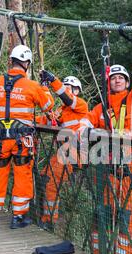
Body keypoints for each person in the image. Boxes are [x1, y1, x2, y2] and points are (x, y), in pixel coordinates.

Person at [78, 45, 132, 254]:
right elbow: (86, 121)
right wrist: (86, 131)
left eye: (122, 77)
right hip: (110, 167)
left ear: (128, 82)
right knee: (103, 210)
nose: (118, 80)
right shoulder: (102, 107)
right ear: (108, 82)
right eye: (114, 78)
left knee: (127, 215)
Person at [0, 45, 55, 228]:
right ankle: (18, 216)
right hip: (22, 139)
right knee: (22, 175)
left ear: (11, 61)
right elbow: (48, 106)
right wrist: (44, 88)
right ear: (27, 64)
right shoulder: (31, 85)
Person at [36, 72, 88, 228]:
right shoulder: (61, 110)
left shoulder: (80, 104)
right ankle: (46, 215)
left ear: (77, 90)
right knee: (45, 177)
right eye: (65, 87)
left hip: (76, 154)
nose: (66, 90)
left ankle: (49, 220)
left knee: (50, 181)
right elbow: (46, 120)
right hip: (64, 154)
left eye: (70, 88)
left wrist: (53, 80)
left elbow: (67, 97)